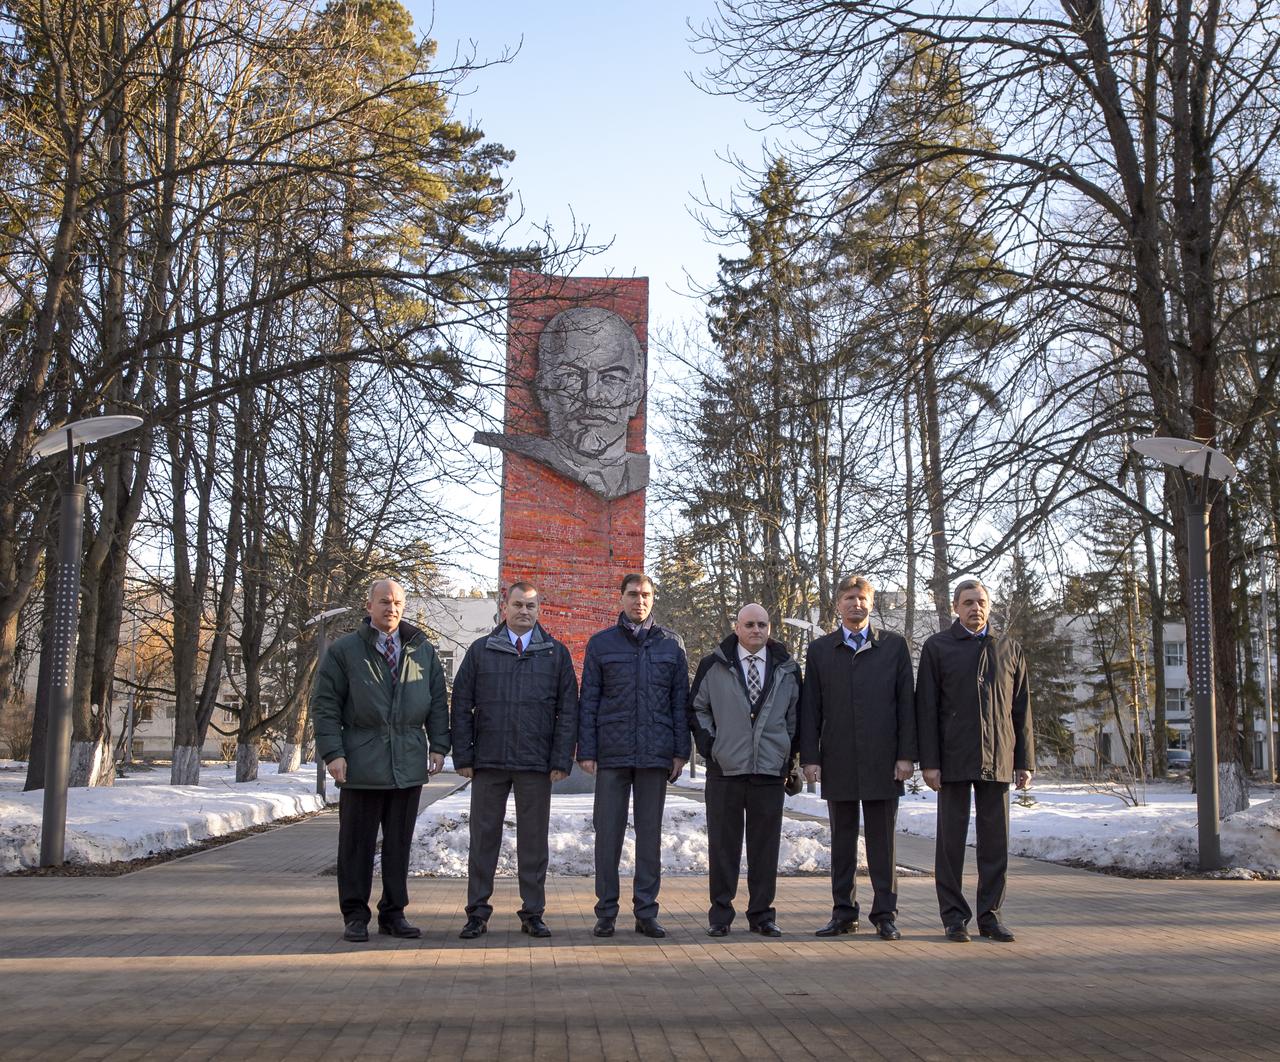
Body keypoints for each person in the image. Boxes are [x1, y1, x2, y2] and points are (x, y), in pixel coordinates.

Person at [312, 577, 449, 942]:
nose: (392, 608)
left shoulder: (421, 649)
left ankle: (394, 913)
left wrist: (439, 745)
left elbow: (437, 701)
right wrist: (333, 753)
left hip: (407, 763)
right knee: (356, 845)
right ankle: (355, 915)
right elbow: (325, 706)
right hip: (361, 764)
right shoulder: (345, 652)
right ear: (368, 606)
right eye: (384, 602)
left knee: (399, 845)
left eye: (398, 603)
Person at [451, 581, 578, 939]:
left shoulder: (555, 654)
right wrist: (463, 754)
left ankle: (533, 912)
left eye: (531, 606)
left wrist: (560, 759)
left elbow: (568, 711)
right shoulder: (481, 651)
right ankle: (477, 913)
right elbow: (460, 704)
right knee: (483, 839)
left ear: (540, 610)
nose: (524, 611)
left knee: (534, 843)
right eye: (518, 604)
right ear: (504, 607)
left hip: (536, 764)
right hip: (489, 761)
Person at [798, 575, 916, 941]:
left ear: (872, 603)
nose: (856, 604)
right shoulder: (820, 651)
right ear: (838, 604)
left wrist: (906, 756)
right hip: (839, 759)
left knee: (883, 843)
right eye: (849, 598)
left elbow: (906, 707)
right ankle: (843, 913)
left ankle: (885, 915)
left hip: (884, 760)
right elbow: (810, 710)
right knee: (843, 842)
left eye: (862, 598)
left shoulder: (894, 648)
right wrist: (811, 757)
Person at [916, 578, 1034, 943]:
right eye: (967, 602)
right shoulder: (938, 647)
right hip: (952, 760)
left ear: (989, 604)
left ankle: (991, 916)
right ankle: (954, 918)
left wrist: (1024, 760)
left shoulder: (1008, 648)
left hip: (998, 757)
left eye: (980, 601)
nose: (975, 608)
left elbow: (1022, 708)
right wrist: (929, 762)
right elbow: (926, 709)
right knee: (950, 844)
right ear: (955, 607)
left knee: (995, 843)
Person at [578, 573, 690, 938]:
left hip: (655, 755)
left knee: (649, 836)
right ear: (620, 598)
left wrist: (680, 751)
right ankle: (605, 912)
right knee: (607, 834)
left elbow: (680, 703)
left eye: (645, 595)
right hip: (612, 754)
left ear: (653, 599)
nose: (638, 601)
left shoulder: (672, 645)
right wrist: (587, 749)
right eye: (632, 594)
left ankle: (646, 912)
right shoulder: (601, 644)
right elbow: (589, 700)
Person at [689, 603, 800, 937]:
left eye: (762, 625)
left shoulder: (787, 668)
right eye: (749, 624)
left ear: (770, 628)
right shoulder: (714, 664)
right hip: (726, 770)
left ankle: (762, 915)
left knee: (765, 847)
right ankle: (720, 916)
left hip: (768, 771)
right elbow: (697, 708)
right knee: (724, 846)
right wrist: (713, 747)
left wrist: (786, 755)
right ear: (737, 627)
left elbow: (796, 716)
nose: (756, 630)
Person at [474, 306, 648, 499]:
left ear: (635, 395)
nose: (591, 394)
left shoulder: (637, 473)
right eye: (571, 376)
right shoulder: (527, 457)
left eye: (611, 378)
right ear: (544, 391)